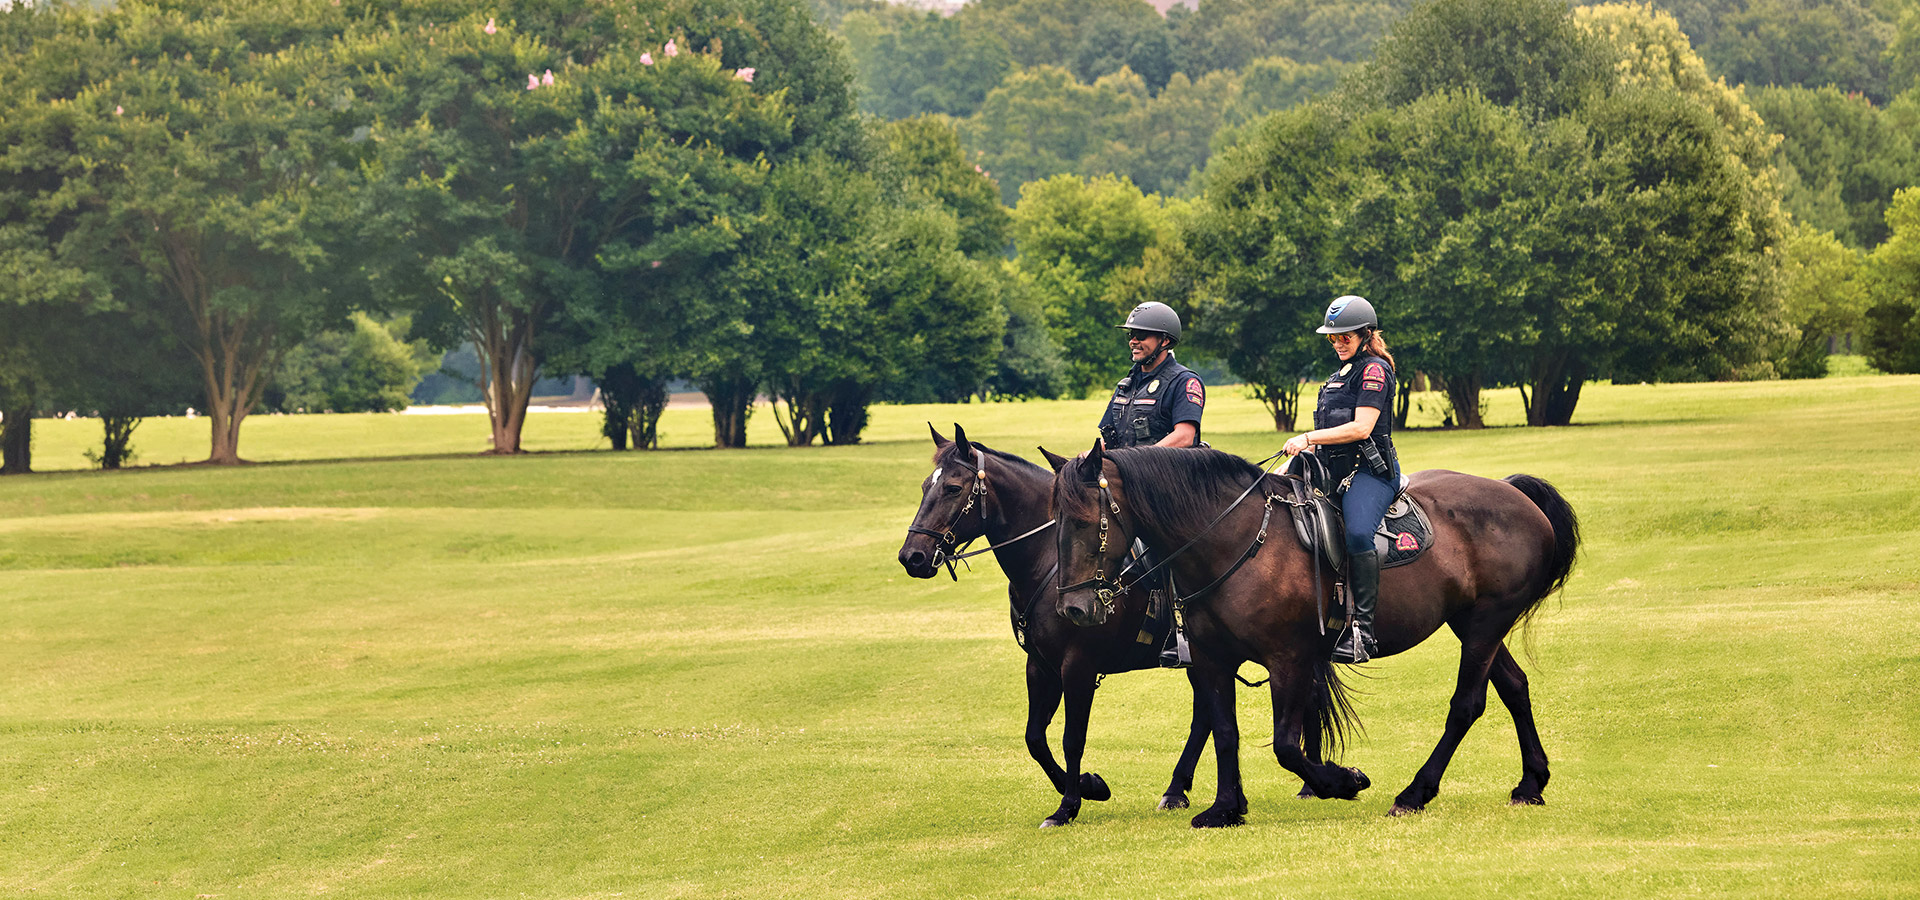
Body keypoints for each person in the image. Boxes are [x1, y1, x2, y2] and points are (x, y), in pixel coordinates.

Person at [1282, 295, 1401, 664]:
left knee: (1358, 533)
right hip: (1329, 471)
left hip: (1370, 473)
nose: (1338, 343)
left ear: (1366, 334)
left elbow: (1362, 427)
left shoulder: (1374, 370)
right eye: (1333, 338)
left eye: (1345, 337)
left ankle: (1363, 632)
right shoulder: (1338, 376)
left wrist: (1308, 438)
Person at [1097, 302, 1205, 449]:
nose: (1133, 342)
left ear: (1165, 340)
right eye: (1131, 335)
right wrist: (1085, 459)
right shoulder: (1126, 385)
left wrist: (1139, 461)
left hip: (1167, 470)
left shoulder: (1183, 381)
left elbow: (1184, 436)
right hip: (1125, 469)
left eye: (1141, 335)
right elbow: (1111, 437)